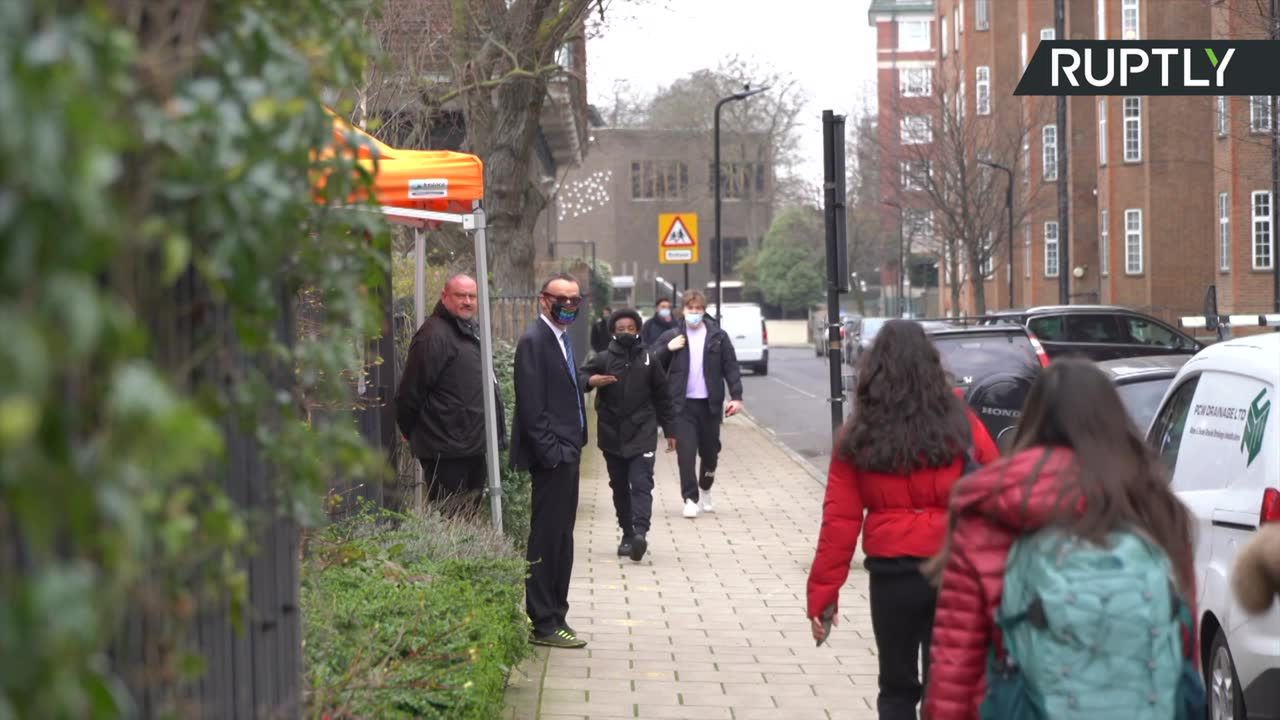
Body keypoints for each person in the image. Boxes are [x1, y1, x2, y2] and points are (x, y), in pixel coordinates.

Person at [924, 358, 1200, 720]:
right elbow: (1182, 650)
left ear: (1033, 419)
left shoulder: (991, 508)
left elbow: (956, 665)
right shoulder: (1153, 505)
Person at [806, 319, 998, 720]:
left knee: (895, 687)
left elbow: (839, 521)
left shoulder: (858, 433)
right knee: (946, 687)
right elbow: (996, 491)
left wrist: (824, 595)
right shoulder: (961, 422)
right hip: (952, 569)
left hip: (891, 575)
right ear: (931, 365)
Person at [511, 273, 590, 649]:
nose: (570, 306)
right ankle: (543, 620)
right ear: (544, 300)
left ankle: (557, 613)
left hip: (568, 452)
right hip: (554, 458)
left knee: (562, 538)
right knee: (547, 537)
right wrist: (553, 454)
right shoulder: (534, 341)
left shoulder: (561, 339)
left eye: (576, 300)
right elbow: (531, 406)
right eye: (563, 299)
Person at [394, 273, 505, 516]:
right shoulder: (433, 335)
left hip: (472, 445)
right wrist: (407, 429)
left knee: (468, 519)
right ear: (445, 297)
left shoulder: (468, 330)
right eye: (460, 295)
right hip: (446, 449)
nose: (467, 301)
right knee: (451, 518)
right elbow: (411, 390)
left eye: (472, 296)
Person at [579, 309, 677, 562]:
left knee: (642, 484)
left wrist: (670, 431)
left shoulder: (650, 359)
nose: (625, 332)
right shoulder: (602, 358)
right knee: (619, 486)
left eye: (630, 328)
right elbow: (578, 377)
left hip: (643, 431)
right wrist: (592, 381)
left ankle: (640, 534)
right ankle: (627, 533)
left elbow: (663, 396)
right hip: (612, 434)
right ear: (613, 331)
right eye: (620, 329)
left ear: (638, 331)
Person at [655, 291, 744, 519]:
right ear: (682, 310)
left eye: (698, 309)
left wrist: (736, 396)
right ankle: (690, 499)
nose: (694, 313)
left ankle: (706, 488)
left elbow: (731, 367)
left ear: (704, 311)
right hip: (682, 406)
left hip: (710, 405)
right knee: (686, 453)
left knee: (710, 453)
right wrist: (668, 348)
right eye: (690, 309)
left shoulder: (718, 337)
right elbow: (651, 362)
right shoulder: (672, 336)